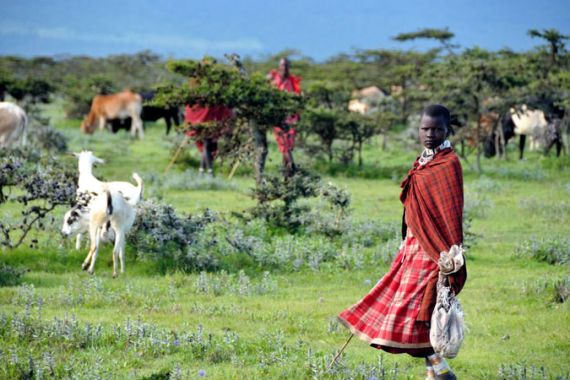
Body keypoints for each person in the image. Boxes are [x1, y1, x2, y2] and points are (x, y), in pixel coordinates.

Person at [338, 105, 467, 380]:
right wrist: (405, 240)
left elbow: (450, 212)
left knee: (417, 307)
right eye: (425, 129)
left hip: (436, 250)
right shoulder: (423, 161)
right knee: (413, 306)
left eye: (436, 129)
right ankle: (436, 370)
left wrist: (451, 255)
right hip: (412, 245)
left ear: (447, 130)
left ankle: (439, 367)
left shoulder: (448, 163)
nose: (430, 134)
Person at [267, 57, 302, 177]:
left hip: (291, 119)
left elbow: (296, 98)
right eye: (282, 65)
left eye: (286, 66)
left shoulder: (292, 81)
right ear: (279, 66)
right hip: (278, 119)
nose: (284, 68)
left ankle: (286, 177)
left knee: (288, 147)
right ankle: (293, 169)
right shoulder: (273, 78)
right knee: (284, 145)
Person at [184, 104, 233, 176]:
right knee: (206, 147)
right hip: (206, 124)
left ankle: (202, 171)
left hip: (211, 123)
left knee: (207, 147)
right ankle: (210, 171)